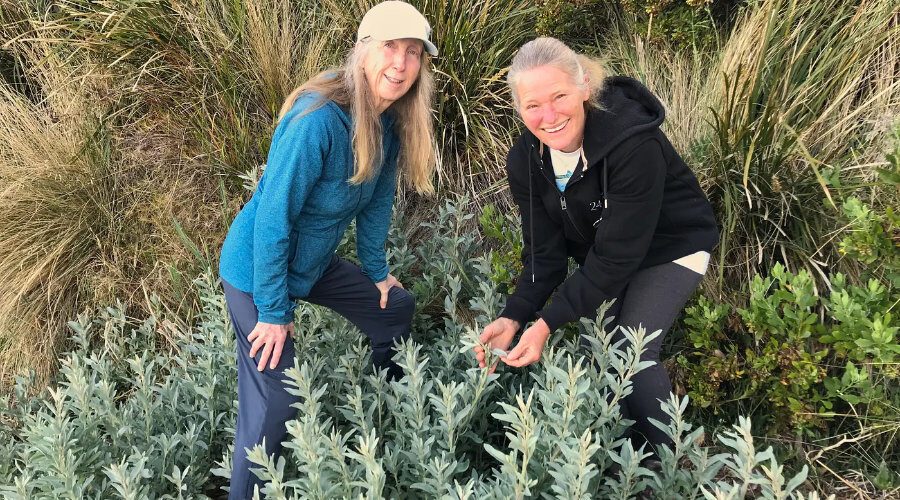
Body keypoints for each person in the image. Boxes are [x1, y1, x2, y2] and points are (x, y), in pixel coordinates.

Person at [218, 2, 437, 497]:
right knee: (278, 399)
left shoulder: (389, 124)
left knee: (393, 310)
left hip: (310, 265)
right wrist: (273, 310)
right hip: (255, 269)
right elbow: (273, 219)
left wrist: (378, 271)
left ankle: (390, 409)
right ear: (363, 52)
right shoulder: (317, 121)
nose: (400, 64)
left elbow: (377, 202)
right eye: (389, 48)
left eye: (412, 53)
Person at [474, 37, 718, 459]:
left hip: (672, 245)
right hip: (609, 251)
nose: (548, 116)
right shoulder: (525, 162)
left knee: (631, 352)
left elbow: (617, 257)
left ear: (584, 87)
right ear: (518, 109)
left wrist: (546, 323)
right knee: (594, 348)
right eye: (532, 105)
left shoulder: (633, 144)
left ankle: (672, 470)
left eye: (560, 96)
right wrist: (514, 316)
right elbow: (543, 254)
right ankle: (624, 460)